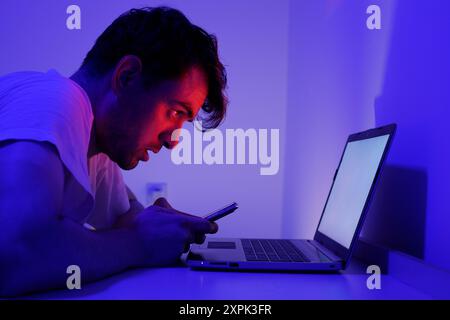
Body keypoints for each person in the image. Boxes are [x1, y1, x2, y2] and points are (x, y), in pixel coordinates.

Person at [0, 6, 227, 296]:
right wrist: (139, 242)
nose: (174, 141)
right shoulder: (55, 99)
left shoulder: (95, 148)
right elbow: (16, 250)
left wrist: (159, 226)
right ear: (127, 76)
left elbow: (126, 218)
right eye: (175, 112)